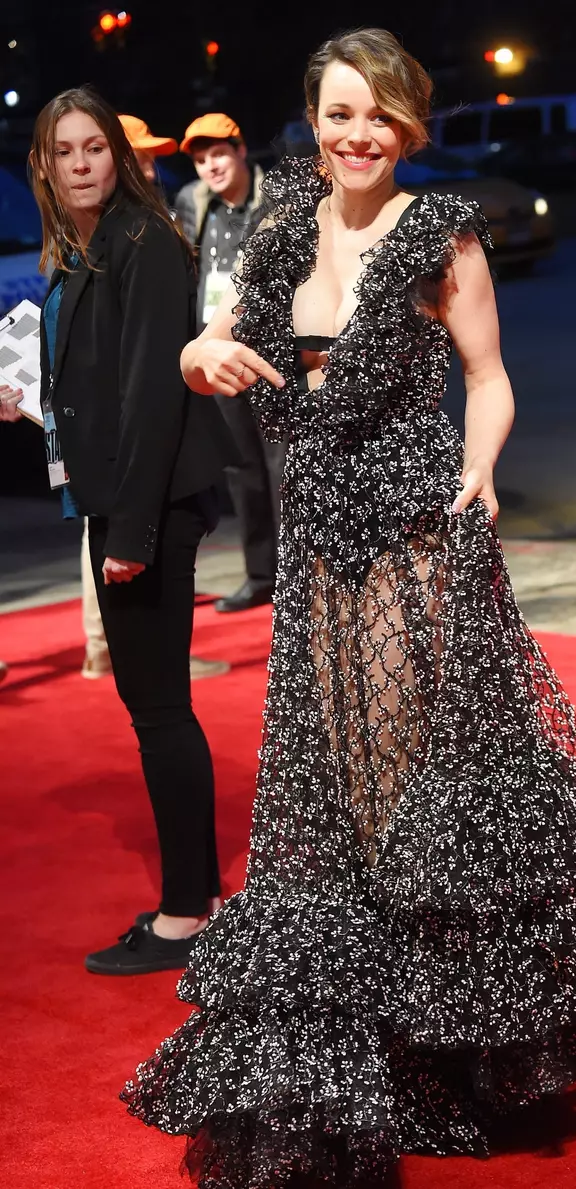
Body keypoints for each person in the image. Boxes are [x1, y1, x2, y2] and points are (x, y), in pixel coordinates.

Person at [121, 29, 576, 1183]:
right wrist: (195, 360)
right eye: (341, 112)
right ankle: (375, 1028)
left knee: (405, 781)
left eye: (381, 115)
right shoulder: (279, 230)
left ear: (407, 127)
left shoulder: (439, 232)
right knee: (333, 788)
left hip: (414, 530)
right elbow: (209, 341)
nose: (359, 133)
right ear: (313, 120)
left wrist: (480, 464)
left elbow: (488, 376)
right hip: (317, 545)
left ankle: (440, 1040)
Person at [13, 85, 234, 975]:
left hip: (150, 506)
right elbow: (97, 387)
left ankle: (185, 915)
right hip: (118, 498)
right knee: (154, 704)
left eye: (93, 148)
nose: (80, 164)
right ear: (42, 164)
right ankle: (192, 898)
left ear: (118, 154)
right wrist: (30, 401)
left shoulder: (142, 240)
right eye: (63, 151)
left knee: (159, 708)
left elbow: (152, 397)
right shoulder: (86, 246)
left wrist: (132, 535)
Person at [78, 113, 229, 682]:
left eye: (149, 159)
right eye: (136, 158)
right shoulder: (126, 232)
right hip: (130, 422)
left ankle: (107, 644)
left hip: (128, 419)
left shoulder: (136, 223)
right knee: (116, 522)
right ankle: (118, 645)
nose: (147, 168)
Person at [175, 114, 285, 613]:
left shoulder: (276, 200)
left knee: (282, 465)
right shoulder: (194, 204)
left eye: (218, 153)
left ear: (241, 150)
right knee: (241, 468)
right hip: (218, 355)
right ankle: (261, 575)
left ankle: (299, 576)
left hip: (269, 353)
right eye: (201, 160)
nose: (211, 166)